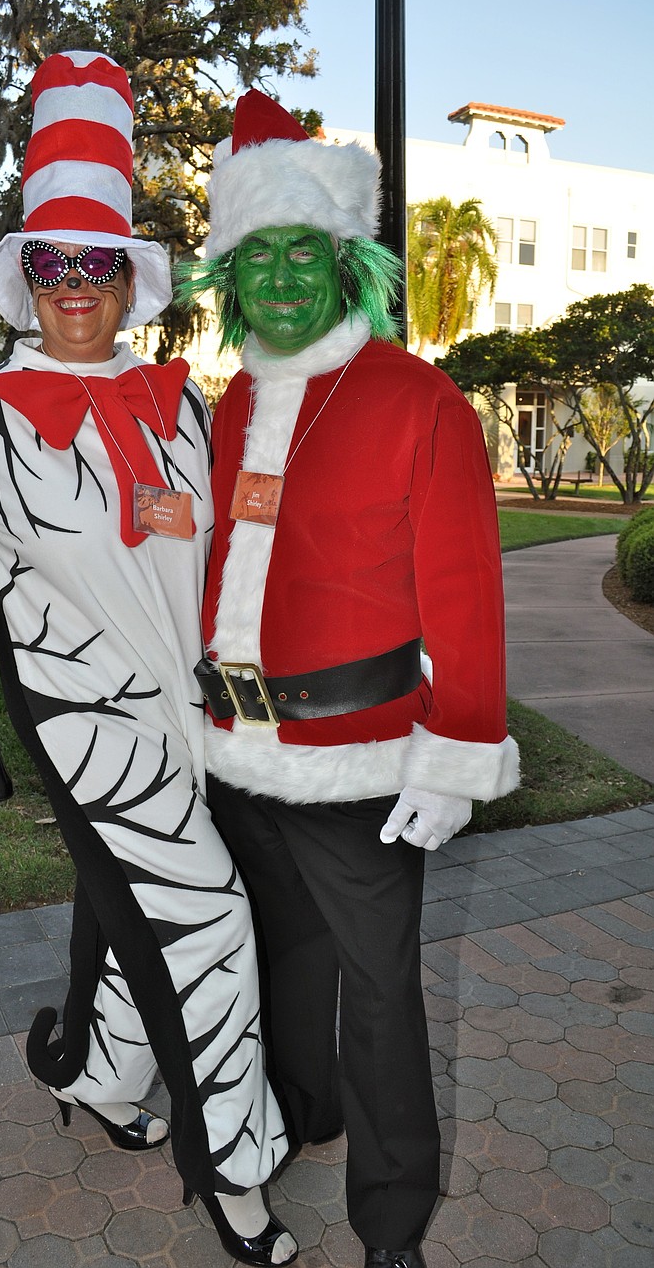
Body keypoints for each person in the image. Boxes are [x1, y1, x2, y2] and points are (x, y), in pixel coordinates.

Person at [0, 54, 296, 1267]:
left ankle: (100, 1075)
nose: (74, 286)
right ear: (28, 279)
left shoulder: (181, 404)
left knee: (135, 913)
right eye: (52, 263)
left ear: (127, 278)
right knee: (209, 920)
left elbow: (234, 542)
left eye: (96, 262)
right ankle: (237, 1174)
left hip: (193, 710)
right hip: (86, 720)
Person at [180, 91, 520, 1268]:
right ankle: (300, 1113)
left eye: (302, 250)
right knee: (283, 961)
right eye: (256, 253)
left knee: (379, 993)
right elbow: (216, 556)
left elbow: (464, 595)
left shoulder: (417, 399)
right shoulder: (231, 402)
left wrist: (455, 755)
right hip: (235, 754)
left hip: (364, 759)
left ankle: (391, 1218)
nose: (279, 276)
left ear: (344, 262)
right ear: (230, 274)